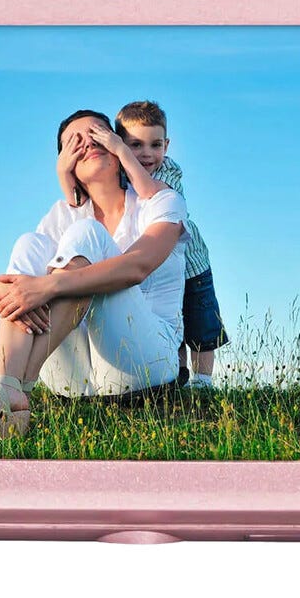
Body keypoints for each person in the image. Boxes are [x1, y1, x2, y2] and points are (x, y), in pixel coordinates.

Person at [0, 109, 189, 435]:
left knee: (86, 234)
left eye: (96, 135)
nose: (87, 144)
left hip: (146, 363)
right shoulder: (61, 214)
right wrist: (0, 287)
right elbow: (25, 282)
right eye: (75, 142)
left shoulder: (161, 200)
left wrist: (49, 286)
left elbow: (138, 266)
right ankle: (7, 387)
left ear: (118, 145)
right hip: (72, 379)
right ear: (65, 162)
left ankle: (15, 387)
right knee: (29, 244)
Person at [110, 100, 229, 389]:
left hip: (191, 267)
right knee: (168, 321)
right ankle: (178, 375)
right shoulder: (118, 175)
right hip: (157, 271)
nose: (147, 154)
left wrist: (123, 153)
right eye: (135, 145)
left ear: (167, 144)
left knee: (200, 322)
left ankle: (203, 381)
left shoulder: (168, 171)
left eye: (156, 145)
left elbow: (149, 191)